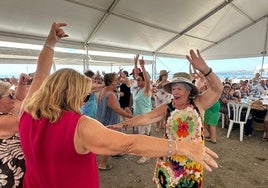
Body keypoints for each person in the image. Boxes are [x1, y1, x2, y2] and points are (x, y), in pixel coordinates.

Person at [19, 23, 219, 188]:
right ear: (72, 95)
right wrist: (179, 146)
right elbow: (129, 144)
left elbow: (41, 75)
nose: (84, 99)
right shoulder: (79, 125)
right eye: (83, 94)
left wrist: (50, 43)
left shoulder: (27, 111)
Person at [109, 49, 223, 187]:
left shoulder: (199, 104)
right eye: (173, 88)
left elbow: (217, 89)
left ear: (188, 91)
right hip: (168, 160)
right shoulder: (167, 108)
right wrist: (123, 125)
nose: (175, 92)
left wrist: (205, 70)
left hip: (191, 162)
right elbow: (146, 117)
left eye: (179, 89)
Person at [96, 72, 133, 170]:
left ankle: (116, 153)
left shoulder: (103, 90)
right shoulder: (110, 95)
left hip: (103, 119)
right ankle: (102, 164)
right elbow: (118, 110)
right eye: (116, 80)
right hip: (110, 121)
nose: (118, 81)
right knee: (110, 143)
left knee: (110, 141)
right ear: (111, 82)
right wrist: (131, 117)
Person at [0, 73, 30, 188]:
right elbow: (27, 117)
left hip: (19, 173)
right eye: (10, 96)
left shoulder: (6, 113)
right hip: (11, 180)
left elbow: (19, 99)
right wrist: (41, 77)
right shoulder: (3, 121)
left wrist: (22, 84)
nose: (13, 98)